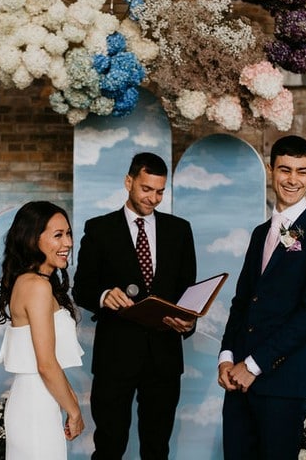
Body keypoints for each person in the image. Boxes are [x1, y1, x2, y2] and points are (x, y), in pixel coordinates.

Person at [217, 135, 306, 459]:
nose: (293, 179)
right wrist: (227, 357)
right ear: (271, 169)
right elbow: (243, 301)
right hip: (237, 381)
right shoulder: (263, 232)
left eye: (302, 171)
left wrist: (253, 365)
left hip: (282, 383)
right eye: (285, 169)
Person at [73, 152, 198, 460]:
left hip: (165, 359)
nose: (153, 198)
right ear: (128, 182)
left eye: (160, 191)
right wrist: (104, 295)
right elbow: (82, 288)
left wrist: (189, 321)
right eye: (146, 189)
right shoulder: (99, 229)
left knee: (157, 449)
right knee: (109, 447)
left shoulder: (180, 230)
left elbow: (187, 293)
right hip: (115, 357)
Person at [0, 201, 85, 460]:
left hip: (39, 401)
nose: (68, 243)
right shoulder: (36, 287)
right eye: (58, 235)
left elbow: (50, 361)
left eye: (68, 234)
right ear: (33, 239)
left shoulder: (33, 282)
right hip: (35, 406)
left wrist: (71, 402)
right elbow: (45, 365)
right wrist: (74, 412)